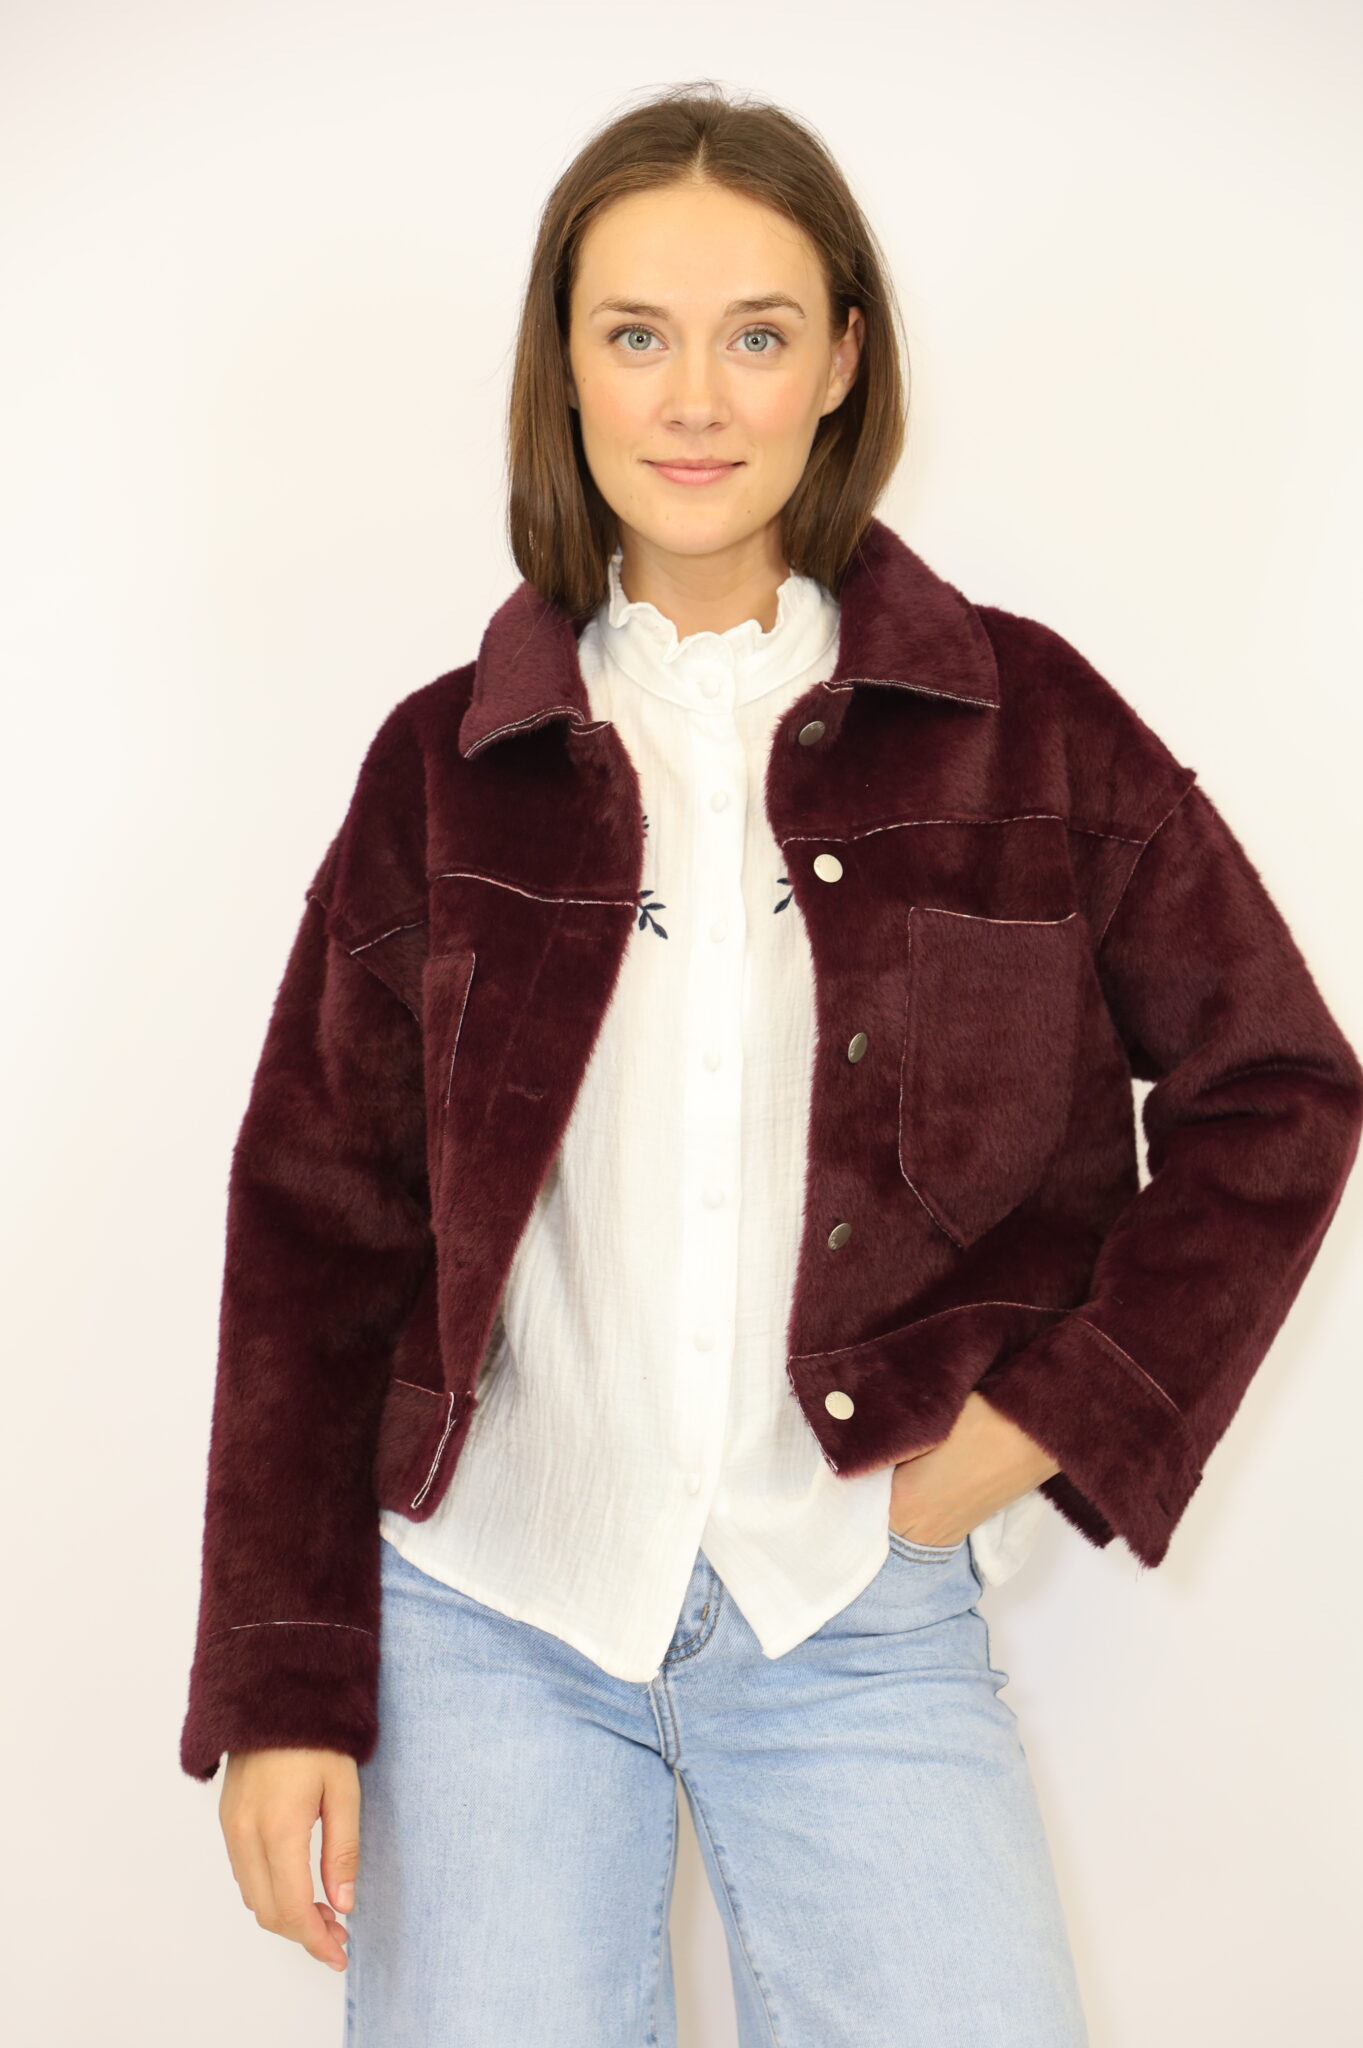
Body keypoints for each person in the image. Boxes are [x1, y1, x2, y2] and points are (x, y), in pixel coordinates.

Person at [179, 83, 1363, 2047]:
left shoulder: (1023, 722)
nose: (694, 398)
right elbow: (317, 1227)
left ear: (841, 361)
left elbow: (1280, 1092)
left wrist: (1032, 1430)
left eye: (756, 333)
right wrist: (282, 1686)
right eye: (636, 333)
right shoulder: (446, 765)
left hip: (853, 1608)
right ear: (564, 363)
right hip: (489, 1616)